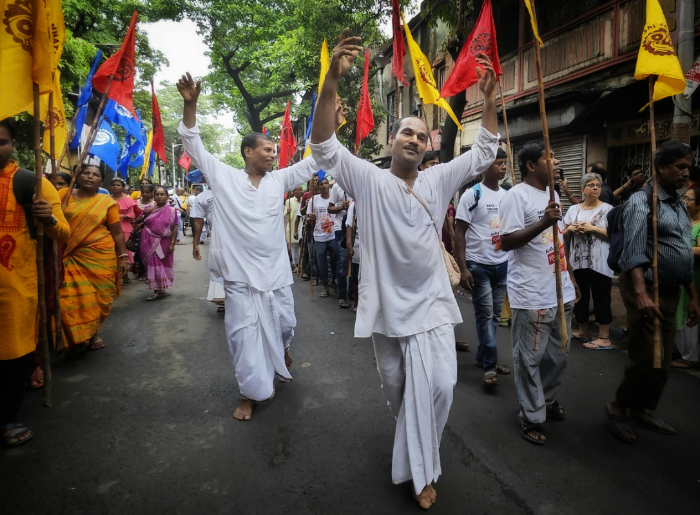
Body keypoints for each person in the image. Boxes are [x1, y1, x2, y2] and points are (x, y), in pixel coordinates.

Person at [309, 31, 499, 509]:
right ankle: (413, 441)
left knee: (440, 385)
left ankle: (421, 471)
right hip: (387, 305)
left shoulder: (439, 178)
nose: (414, 139)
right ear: (392, 142)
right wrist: (330, 81)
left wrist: (491, 100)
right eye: (405, 133)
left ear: (428, 145)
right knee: (397, 389)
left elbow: (484, 153)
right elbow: (324, 145)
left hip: (433, 301)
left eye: (421, 134)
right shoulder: (368, 179)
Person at [178, 71, 329, 422]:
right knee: (244, 338)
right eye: (267, 149)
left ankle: (282, 348)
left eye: (275, 151)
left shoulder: (279, 180)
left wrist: (327, 124)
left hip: (275, 273)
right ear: (248, 151)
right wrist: (190, 105)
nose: (273, 155)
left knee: (286, 325)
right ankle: (249, 394)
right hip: (240, 277)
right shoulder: (223, 176)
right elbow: (192, 144)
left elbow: (315, 160)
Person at [606, 139, 700, 444]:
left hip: (672, 289)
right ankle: (618, 406)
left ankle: (641, 409)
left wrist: (693, 295)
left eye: (688, 167)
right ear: (660, 167)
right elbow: (633, 250)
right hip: (644, 285)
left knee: (663, 360)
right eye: (679, 166)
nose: (686, 173)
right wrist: (641, 293)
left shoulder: (677, 203)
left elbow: (682, 250)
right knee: (647, 354)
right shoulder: (642, 202)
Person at [499, 141, 580, 446]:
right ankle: (531, 415)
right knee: (529, 358)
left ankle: (544, 399)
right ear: (531, 166)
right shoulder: (516, 197)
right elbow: (506, 242)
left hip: (560, 293)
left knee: (558, 356)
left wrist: (570, 275)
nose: (557, 162)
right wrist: (543, 221)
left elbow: (557, 241)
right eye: (550, 157)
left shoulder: (554, 194)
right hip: (531, 295)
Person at [0, 119, 70, 446]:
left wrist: (49, 217)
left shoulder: (32, 183)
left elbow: (63, 233)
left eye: (1, 141)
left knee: (13, 355)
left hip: (15, 288)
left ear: (13, 144)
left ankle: (8, 417)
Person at [454, 148, 510, 386]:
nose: (504, 167)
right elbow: (459, 232)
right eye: (499, 163)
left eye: (505, 163)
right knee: (485, 315)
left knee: (495, 315)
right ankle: (490, 366)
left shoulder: (508, 195)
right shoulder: (472, 194)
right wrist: (463, 267)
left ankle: (482, 356)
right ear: (486, 167)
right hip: (479, 266)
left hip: (502, 264)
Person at [59, 164, 128, 352]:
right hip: (69, 255)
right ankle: (75, 336)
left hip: (100, 256)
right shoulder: (63, 195)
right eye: (86, 173)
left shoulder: (106, 202)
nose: (90, 177)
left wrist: (123, 257)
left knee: (99, 298)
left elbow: (117, 233)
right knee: (67, 298)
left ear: (101, 180)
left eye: (95, 174)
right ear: (78, 176)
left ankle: (93, 331)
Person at [563, 172, 614, 349]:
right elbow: (563, 235)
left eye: (598, 185)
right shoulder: (573, 210)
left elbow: (613, 236)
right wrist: (571, 229)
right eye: (591, 185)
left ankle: (604, 337)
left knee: (601, 296)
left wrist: (592, 228)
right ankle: (584, 330)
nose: (595, 188)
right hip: (577, 261)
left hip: (600, 263)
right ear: (583, 189)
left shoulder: (608, 209)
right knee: (580, 296)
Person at [673, 187, 700, 369]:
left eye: (689, 200)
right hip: (680, 277)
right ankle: (682, 351)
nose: (685, 203)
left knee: (690, 313)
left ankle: (691, 356)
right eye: (684, 199)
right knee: (679, 312)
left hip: (695, 278)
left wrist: (679, 250)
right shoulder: (686, 222)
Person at [140, 186, 179, 301]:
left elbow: (175, 227)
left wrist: (172, 243)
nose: (159, 196)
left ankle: (161, 287)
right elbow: (138, 221)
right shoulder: (148, 208)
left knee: (163, 264)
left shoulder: (172, 211)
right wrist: (145, 215)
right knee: (153, 264)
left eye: (162, 194)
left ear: (167, 196)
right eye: (157, 194)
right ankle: (156, 290)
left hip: (165, 242)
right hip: (149, 241)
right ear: (154, 196)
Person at [190, 182, 224, 310]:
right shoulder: (201, 197)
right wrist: (195, 244)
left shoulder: (234, 189)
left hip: (238, 237)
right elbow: (198, 220)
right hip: (217, 238)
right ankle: (222, 298)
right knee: (219, 267)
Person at [307, 176, 339, 299]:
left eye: (326, 183)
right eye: (322, 184)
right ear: (318, 187)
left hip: (333, 234)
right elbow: (308, 218)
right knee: (322, 263)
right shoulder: (314, 200)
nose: (324, 185)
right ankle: (325, 286)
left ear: (329, 185)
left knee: (336, 260)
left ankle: (333, 280)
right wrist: (309, 218)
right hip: (319, 236)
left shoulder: (334, 198)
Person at [111, 177, 138, 283]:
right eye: (113, 185)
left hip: (124, 227)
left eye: (118, 185)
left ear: (123, 187)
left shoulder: (128, 200)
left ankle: (125, 274)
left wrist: (117, 215)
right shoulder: (108, 199)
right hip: (111, 227)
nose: (115, 187)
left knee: (125, 251)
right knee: (113, 251)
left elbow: (131, 214)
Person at [328, 180, 351, 308]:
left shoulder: (358, 182)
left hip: (356, 227)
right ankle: (342, 296)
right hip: (340, 229)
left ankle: (353, 293)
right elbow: (330, 208)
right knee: (342, 261)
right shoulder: (337, 186)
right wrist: (342, 207)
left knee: (356, 263)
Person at [285, 186, 303, 271]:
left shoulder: (304, 200)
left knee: (302, 247)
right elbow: (286, 215)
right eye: (298, 190)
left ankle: (302, 264)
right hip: (292, 226)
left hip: (302, 226)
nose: (300, 191)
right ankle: (296, 264)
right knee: (294, 247)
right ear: (294, 192)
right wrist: (287, 211)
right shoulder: (289, 201)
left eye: (301, 190)